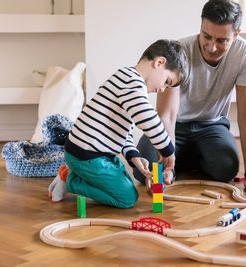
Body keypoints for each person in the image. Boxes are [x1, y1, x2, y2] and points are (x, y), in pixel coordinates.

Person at [134, 0, 246, 194]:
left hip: (212, 126)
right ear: (200, 27)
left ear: (236, 34)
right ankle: (178, 161)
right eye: (206, 36)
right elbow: (166, 115)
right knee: (145, 170)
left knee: (226, 168)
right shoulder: (180, 50)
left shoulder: (244, 53)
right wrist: (167, 164)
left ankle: (186, 159)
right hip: (176, 125)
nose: (211, 47)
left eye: (221, 41)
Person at [48, 39, 188, 208]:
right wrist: (168, 152)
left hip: (92, 153)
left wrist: (133, 155)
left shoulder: (125, 78)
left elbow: (121, 130)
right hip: (86, 155)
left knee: (125, 180)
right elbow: (148, 120)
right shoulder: (133, 83)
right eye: (167, 81)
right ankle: (71, 180)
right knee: (127, 198)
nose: (163, 89)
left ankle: (75, 171)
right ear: (159, 63)